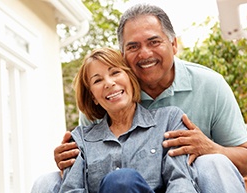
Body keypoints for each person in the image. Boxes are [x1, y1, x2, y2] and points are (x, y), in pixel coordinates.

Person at [31, 3, 247, 193]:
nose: (145, 53)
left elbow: (243, 159)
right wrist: (70, 162)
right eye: (133, 46)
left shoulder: (207, 86)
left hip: (190, 182)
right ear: (123, 56)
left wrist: (211, 148)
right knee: (47, 182)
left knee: (211, 163)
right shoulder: (102, 106)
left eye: (154, 42)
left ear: (174, 45)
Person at [58, 47, 200, 193]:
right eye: (98, 80)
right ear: (93, 96)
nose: (109, 83)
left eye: (115, 72)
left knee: (122, 180)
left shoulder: (169, 120)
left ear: (130, 78)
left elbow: (180, 180)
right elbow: (71, 190)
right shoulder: (79, 140)